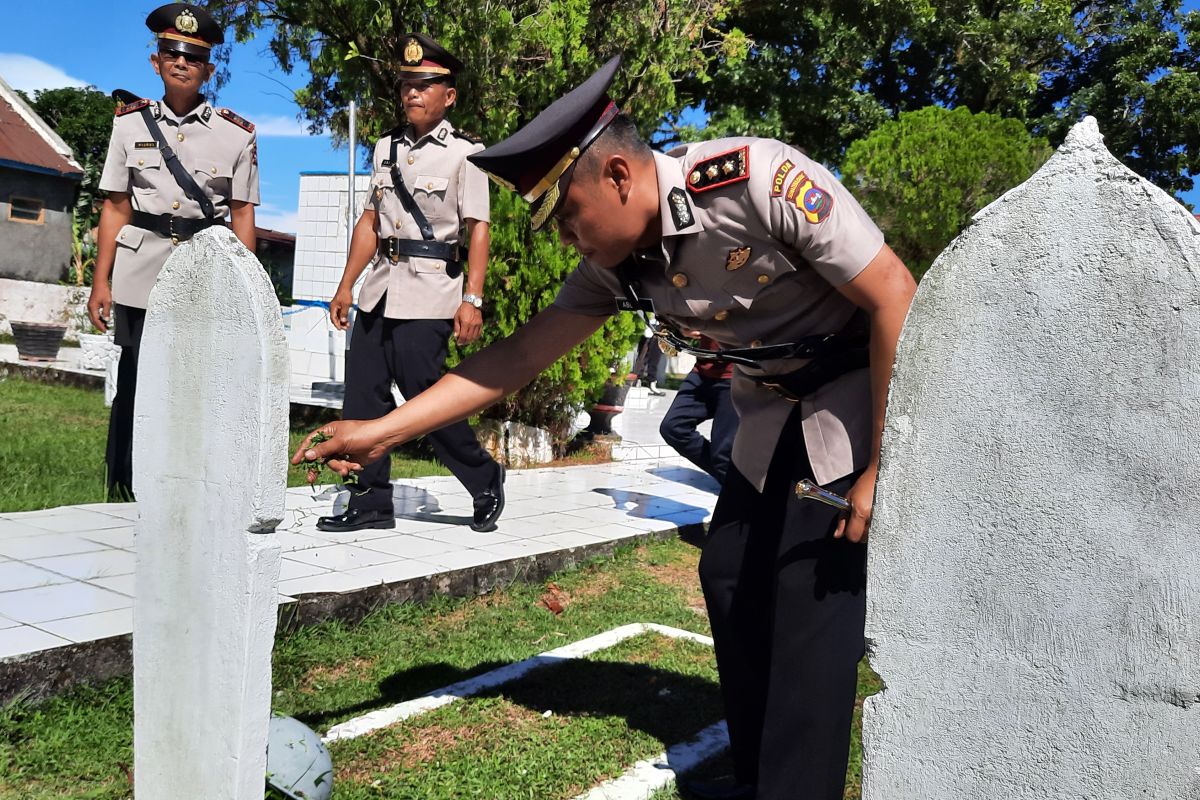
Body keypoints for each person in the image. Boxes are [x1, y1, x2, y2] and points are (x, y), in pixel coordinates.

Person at [292, 57, 917, 800]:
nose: (566, 238)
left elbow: (893, 295)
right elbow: (516, 358)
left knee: (809, 600)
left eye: (567, 215)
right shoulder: (617, 263)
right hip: (766, 413)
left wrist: (884, 461)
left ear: (619, 176)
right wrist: (385, 432)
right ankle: (758, 780)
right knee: (727, 578)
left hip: (852, 403)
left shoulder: (756, 181)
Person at [315, 33, 504, 534]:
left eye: (426, 84)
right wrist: (345, 285)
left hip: (432, 291)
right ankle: (370, 502)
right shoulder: (385, 148)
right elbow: (369, 223)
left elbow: (478, 228)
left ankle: (483, 477)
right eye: (407, 85)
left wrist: (473, 299)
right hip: (379, 287)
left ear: (449, 94)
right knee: (361, 398)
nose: (413, 93)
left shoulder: (468, 153)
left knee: (426, 399)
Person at [89, 2, 259, 501]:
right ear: (156, 62)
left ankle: (190, 480)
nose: (181, 62)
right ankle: (127, 479)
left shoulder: (237, 135)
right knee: (137, 374)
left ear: (208, 68)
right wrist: (102, 280)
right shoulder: (129, 125)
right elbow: (116, 206)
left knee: (199, 379)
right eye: (171, 52)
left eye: (192, 56)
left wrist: (244, 285)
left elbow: (243, 215)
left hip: (204, 271)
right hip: (140, 269)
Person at [659, 335, 737, 484]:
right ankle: (733, 481)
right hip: (703, 369)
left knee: (722, 453)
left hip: (736, 373)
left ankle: (737, 492)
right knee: (673, 428)